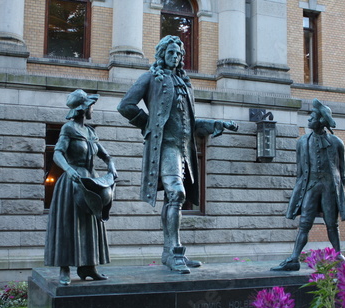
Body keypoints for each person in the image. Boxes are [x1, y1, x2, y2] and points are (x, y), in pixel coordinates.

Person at [118, 35, 238, 274]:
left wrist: (218, 123)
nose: (174, 57)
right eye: (170, 53)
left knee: (174, 199)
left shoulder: (184, 83)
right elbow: (125, 105)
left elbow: (191, 123)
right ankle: (174, 253)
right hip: (166, 146)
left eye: (178, 54)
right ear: (162, 54)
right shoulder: (151, 78)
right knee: (176, 194)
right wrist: (148, 124)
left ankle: (171, 252)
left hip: (184, 149)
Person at [44, 89, 118, 285]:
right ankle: (64, 270)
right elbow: (57, 153)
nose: (93, 109)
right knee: (68, 225)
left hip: (91, 182)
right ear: (83, 109)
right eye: (91, 106)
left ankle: (90, 267)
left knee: (90, 225)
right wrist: (68, 169)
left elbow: (105, 155)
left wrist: (111, 165)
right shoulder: (68, 129)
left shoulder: (91, 132)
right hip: (72, 183)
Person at [271, 98, 345, 271]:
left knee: (331, 223)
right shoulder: (302, 142)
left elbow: (342, 173)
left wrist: (338, 192)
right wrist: (299, 191)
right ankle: (294, 258)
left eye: (312, 117)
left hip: (329, 186)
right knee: (305, 222)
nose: (308, 120)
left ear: (321, 120)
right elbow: (300, 171)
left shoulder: (336, 143)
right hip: (311, 186)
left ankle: (338, 255)